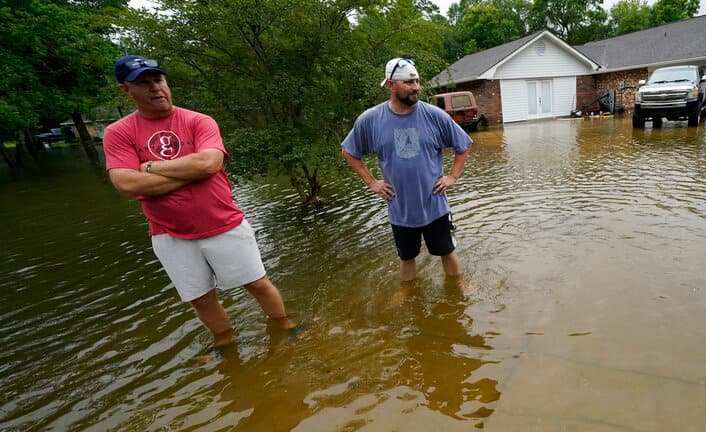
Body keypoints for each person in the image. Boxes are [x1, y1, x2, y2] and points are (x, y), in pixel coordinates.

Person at [103, 54, 295, 346]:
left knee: (256, 284)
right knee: (201, 298)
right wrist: (189, 170)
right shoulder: (118, 133)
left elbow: (208, 164)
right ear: (126, 90)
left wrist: (150, 167)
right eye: (144, 83)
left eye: (158, 80)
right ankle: (226, 343)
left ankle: (284, 325)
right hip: (169, 233)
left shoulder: (197, 121)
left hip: (223, 222)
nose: (155, 88)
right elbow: (126, 183)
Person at [341, 57, 473, 283]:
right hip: (400, 208)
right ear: (391, 85)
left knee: (447, 252)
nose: (416, 88)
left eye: (417, 81)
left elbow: (464, 144)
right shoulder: (371, 120)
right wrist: (372, 183)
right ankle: (409, 294)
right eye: (409, 83)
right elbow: (349, 151)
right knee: (407, 257)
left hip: (434, 205)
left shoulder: (434, 115)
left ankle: (458, 288)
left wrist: (452, 176)